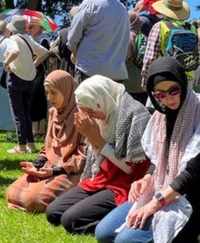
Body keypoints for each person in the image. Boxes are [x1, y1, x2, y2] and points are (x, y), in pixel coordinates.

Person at [95, 57, 200, 243]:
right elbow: (158, 161)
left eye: (174, 90)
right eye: (161, 94)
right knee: (104, 233)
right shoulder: (160, 115)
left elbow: (192, 175)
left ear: (183, 83)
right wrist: (146, 179)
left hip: (191, 204)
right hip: (160, 190)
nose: (169, 99)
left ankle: (197, 236)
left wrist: (153, 204)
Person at [45, 75, 151, 234]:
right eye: (85, 111)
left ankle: (112, 219)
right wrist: (93, 139)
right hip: (104, 178)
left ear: (102, 100)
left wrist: (97, 140)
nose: (90, 116)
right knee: (53, 212)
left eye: (92, 111)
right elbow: (97, 159)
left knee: (70, 221)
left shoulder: (133, 114)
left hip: (126, 183)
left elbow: (131, 170)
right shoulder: (103, 113)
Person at [6, 71, 86, 212]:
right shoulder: (53, 113)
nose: (49, 98)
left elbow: (83, 158)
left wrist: (55, 171)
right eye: (47, 92)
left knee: (35, 199)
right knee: (12, 192)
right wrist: (38, 164)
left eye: (53, 93)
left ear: (67, 91)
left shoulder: (83, 116)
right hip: (50, 166)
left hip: (70, 171)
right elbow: (47, 147)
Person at [68, 0, 130, 83]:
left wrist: (74, 52)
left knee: (85, 101)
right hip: (116, 74)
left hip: (89, 70)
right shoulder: (122, 8)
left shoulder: (90, 4)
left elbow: (73, 36)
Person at [3, 15, 48, 154]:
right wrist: (34, 65)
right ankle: (31, 144)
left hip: (16, 78)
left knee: (18, 113)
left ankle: (21, 146)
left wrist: (6, 63)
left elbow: (15, 51)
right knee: (27, 112)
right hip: (29, 79)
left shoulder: (13, 39)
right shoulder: (29, 39)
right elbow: (45, 52)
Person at [140, 0, 192, 87]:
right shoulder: (191, 28)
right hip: (187, 78)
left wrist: (145, 79)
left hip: (164, 76)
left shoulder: (160, 26)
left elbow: (150, 58)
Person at [26, 19, 51, 140]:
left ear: (39, 27)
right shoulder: (31, 40)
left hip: (40, 73)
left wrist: (33, 63)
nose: (28, 29)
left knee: (38, 99)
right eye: (28, 27)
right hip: (32, 72)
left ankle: (39, 130)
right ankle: (35, 129)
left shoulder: (43, 40)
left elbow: (44, 55)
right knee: (33, 100)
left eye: (31, 27)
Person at [125, 11, 147, 105]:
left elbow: (123, 58)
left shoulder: (126, 37)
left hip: (128, 83)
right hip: (142, 84)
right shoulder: (144, 37)